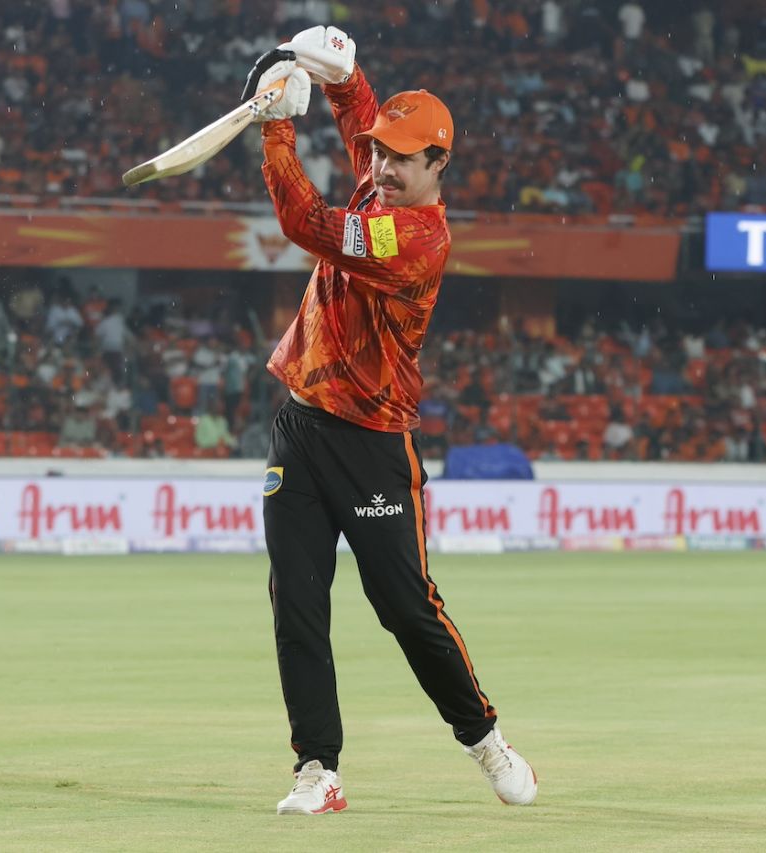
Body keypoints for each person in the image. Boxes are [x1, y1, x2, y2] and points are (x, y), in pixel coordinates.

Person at [246, 26, 538, 816]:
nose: (381, 167)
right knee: (297, 600)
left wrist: (275, 124)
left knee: (404, 606)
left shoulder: (416, 236)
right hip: (301, 430)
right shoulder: (382, 188)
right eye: (379, 153)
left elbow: (307, 222)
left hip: (373, 441)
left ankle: (485, 739)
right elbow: (360, 125)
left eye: (401, 158)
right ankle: (319, 768)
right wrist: (343, 79)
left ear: (438, 164)